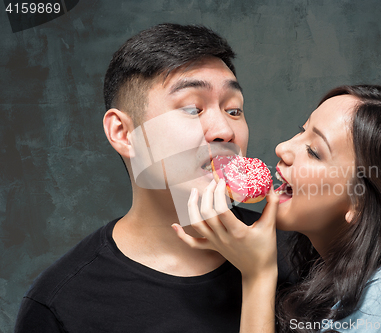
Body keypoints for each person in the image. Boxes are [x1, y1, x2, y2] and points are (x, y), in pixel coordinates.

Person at [15, 23, 290, 333]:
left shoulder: (301, 254)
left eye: (234, 110)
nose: (225, 131)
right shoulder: (59, 305)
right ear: (123, 133)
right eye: (192, 108)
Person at [174, 85, 381, 333]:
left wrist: (258, 276)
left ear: (360, 201)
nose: (282, 148)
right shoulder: (325, 272)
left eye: (314, 151)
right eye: (301, 132)